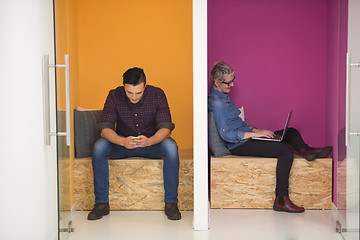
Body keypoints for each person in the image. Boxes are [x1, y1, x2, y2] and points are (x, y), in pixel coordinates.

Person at [208, 62, 333, 213]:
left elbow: (236, 123)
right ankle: (281, 200)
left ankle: (307, 152)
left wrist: (256, 129)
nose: (233, 85)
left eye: (233, 80)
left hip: (248, 136)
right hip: (239, 144)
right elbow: (226, 134)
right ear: (216, 82)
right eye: (229, 82)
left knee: (291, 132)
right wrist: (255, 134)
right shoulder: (217, 103)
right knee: (285, 149)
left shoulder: (223, 97)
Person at [87, 67, 181, 221]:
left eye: (138, 92)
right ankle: (101, 204)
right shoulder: (114, 95)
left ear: (145, 86)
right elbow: (105, 129)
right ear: (124, 87)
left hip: (151, 143)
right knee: (99, 147)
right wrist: (122, 141)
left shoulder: (157, 94)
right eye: (130, 92)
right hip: (123, 144)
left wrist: (150, 141)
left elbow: (166, 128)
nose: (134, 97)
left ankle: (171, 203)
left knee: (171, 146)